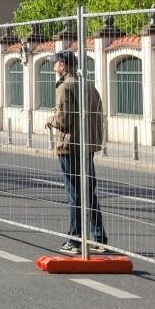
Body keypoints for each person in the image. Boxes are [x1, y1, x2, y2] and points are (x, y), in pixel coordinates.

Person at [50, 51, 108, 254]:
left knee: (74, 192)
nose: (54, 67)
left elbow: (64, 121)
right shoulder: (88, 85)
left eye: (55, 63)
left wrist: (51, 120)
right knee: (88, 191)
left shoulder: (65, 87)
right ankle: (99, 238)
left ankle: (74, 240)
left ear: (64, 66)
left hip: (70, 145)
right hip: (87, 144)